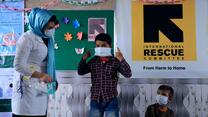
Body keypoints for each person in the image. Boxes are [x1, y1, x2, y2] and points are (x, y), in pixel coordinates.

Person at [12, 8, 59, 117]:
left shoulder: (46, 38)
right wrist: (41, 75)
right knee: (27, 112)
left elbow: (48, 61)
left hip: (40, 86)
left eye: (53, 27)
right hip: (26, 86)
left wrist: (52, 78)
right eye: (49, 28)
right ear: (39, 24)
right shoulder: (27, 39)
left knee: (40, 112)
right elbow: (18, 65)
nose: (51, 30)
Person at [78, 33, 132, 117]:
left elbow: (128, 74)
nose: (100, 48)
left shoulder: (115, 61)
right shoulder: (93, 61)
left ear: (109, 46)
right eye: (97, 45)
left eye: (103, 45)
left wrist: (121, 59)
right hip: (95, 99)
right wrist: (84, 59)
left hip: (111, 99)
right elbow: (80, 72)